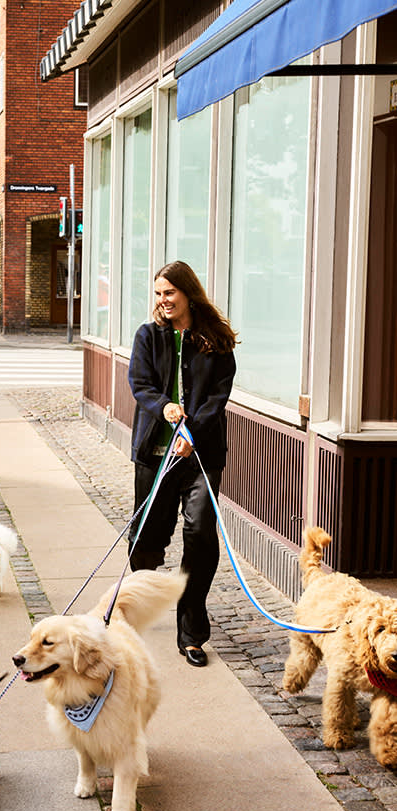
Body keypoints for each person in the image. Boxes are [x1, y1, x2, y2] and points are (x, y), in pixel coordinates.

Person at [128, 261, 237, 667]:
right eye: (158, 293)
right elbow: (140, 384)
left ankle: (191, 632)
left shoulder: (216, 341)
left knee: (201, 537)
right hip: (156, 456)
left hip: (201, 459)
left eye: (169, 293)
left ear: (188, 293)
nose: (163, 300)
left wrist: (194, 433)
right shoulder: (148, 336)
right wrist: (166, 407)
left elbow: (216, 398)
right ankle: (138, 603)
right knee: (146, 541)